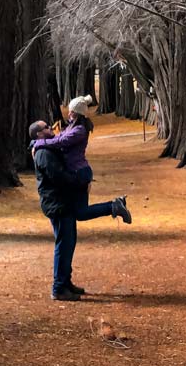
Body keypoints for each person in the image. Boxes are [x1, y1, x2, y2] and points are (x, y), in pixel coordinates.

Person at [30, 118, 131, 302]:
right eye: (46, 127)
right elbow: (59, 177)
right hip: (57, 205)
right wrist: (80, 182)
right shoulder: (43, 153)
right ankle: (58, 288)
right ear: (38, 134)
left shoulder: (49, 148)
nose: (51, 128)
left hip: (64, 202)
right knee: (63, 245)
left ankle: (65, 282)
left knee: (69, 244)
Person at [31, 96, 132, 223]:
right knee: (80, 212)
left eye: (71, 111)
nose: (68, 113)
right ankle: (114, 206)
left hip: (80, 172)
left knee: (81, 212)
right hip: (76, 171)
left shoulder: (79, 130)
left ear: (76, 113)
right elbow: (58, 137)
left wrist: (39, 143)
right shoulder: (71, 127)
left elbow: (61, 141)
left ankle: (113, 206)